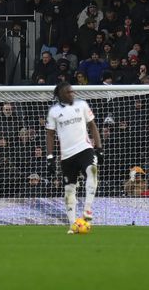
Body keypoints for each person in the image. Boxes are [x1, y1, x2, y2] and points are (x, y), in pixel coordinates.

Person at [44, 80, 102, 231]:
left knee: (92, 171)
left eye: (72, 91)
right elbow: (50, 135)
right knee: (69, 190)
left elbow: (93, 126)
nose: (72, 94)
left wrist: (99, 147)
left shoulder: (82, 105)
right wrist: (50, 157)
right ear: (61, 95)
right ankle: (72, 225)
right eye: (68, 92)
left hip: (85, 148)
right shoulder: (54, 112)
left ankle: (88, 209)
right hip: (67, 156)